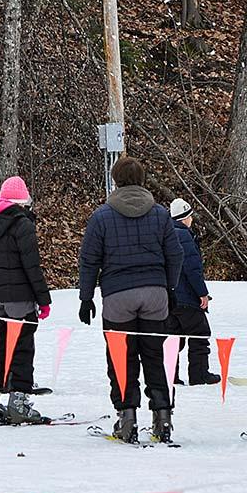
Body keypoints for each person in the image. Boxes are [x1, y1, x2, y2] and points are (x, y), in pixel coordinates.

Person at [78, 157, 183, 444]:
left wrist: (86, 297)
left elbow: (89, 261)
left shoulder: (102, 216)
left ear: (116, 180)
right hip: (154, 293)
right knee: (154, 355)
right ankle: (163, 417)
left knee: (121, 359)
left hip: (117, 294)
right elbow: (175, 254)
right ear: (143, 179)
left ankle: (127, 417)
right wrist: (169, 288)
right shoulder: (160, 214)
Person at [0, 176, 53, 424]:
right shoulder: (22, 224)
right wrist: (44, 299)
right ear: (22, 201)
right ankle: (19, 402)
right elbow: (32, 266)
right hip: (19, 298)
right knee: (22, 349)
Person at [167, 198, 219, 385]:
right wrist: (202, 293)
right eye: (190, 217)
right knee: (200, 333)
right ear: (184, 218)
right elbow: (192, 268)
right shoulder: (184, 236)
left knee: (173, 337)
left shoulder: (164, 234)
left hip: (169, 298)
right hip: (186, 297)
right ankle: (199, 375)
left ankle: (171, 375)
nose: (192, 220)